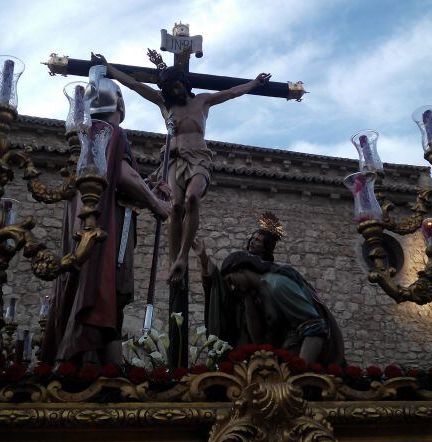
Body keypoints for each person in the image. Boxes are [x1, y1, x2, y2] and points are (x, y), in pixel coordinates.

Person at [91, 52, 271, 286]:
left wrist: (254, 83)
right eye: (170, 88)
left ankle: (184, 256)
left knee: (192, 198)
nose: (175, 91)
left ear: (184, 84)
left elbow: (230, 93)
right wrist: (110, 68)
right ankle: (173, 260)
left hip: (198, 158)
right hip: (173, 159)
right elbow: (135, 85)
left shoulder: (202, 101)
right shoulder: (164, 104)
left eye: (177, 85)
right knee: (175, 207)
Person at [41, 70, 172, 366]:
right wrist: (156, 204)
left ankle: (105, 368)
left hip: (88, 228)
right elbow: (125, 177)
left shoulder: (86, 137)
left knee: (104, 301)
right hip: (105, 234)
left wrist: (149, 188)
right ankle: (101, 370)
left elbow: (116, 184)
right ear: (121, 106)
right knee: (106, 296)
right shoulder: (111, 134)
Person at [210, 250, 344, 364]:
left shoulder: (277, 285)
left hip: (300, 357)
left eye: (230, 281)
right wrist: (247, 298)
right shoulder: (257, 295)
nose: (233, 288)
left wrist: (300, 372)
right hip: (284, 355)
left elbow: (315, 328)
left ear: (241, 269)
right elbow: (259, 340)